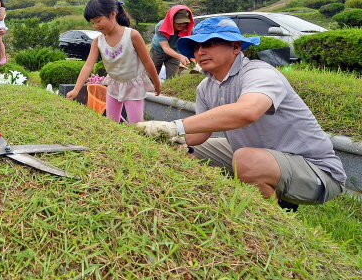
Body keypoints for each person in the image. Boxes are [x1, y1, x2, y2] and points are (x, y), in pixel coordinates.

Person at [136, 17, 346, 211]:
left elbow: (248, 111)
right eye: (196, 46)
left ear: (235, 46)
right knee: (183, 149)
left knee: (247, 160)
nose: (200, 51)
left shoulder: (259, 72)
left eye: (209, 44)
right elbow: (199, 135)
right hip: (257, 153)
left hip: (315, 169)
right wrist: (166, 135)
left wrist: (176, 125)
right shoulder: (205, 87)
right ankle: (208, 205)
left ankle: (273, 225)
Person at [66, 0, 161, 124]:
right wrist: (76, 89)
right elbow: (88, 66)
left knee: (136, 125)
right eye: (92, 23)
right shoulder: (98, 41)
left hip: (134, 85)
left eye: (98, 21)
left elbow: (147, 61)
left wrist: (156, 83)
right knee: (111, 123)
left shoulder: (132, 35)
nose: (96, 26)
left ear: (112, 14)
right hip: (114, 84)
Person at [150, 5, 194, 79]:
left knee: (172, 77)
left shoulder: (189, 28)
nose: (182, 25)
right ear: (171, 20)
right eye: (179, 23)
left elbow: (191, 43)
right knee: (152, 75)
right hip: (158, 51)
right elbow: (165, 47)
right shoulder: (160, 27)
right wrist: (180, 56)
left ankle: (168, 90)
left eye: (185, 22)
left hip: (175, 51)